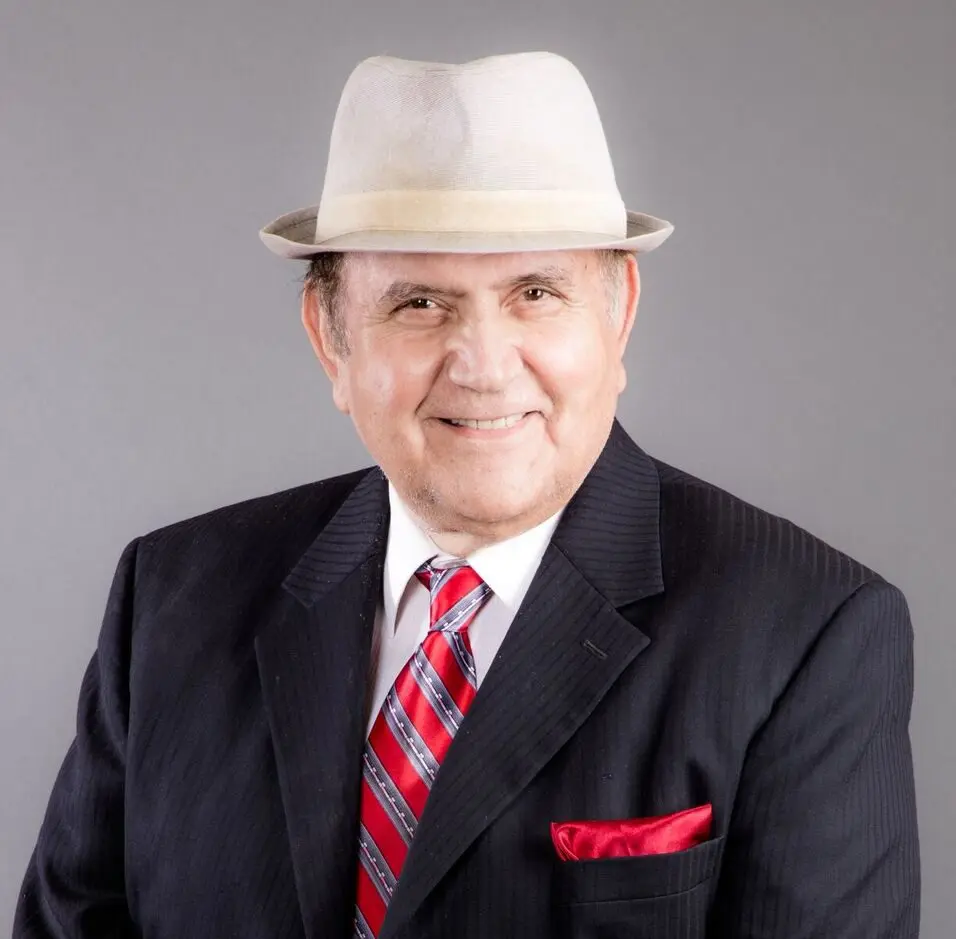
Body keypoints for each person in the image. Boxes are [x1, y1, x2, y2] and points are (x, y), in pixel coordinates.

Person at [14, 52, 919, 939]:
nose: (484, 366)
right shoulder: (170, 599)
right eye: (420, 304)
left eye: (536, 293)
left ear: (620, 315)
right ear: (330, 339)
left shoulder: (806, 633)